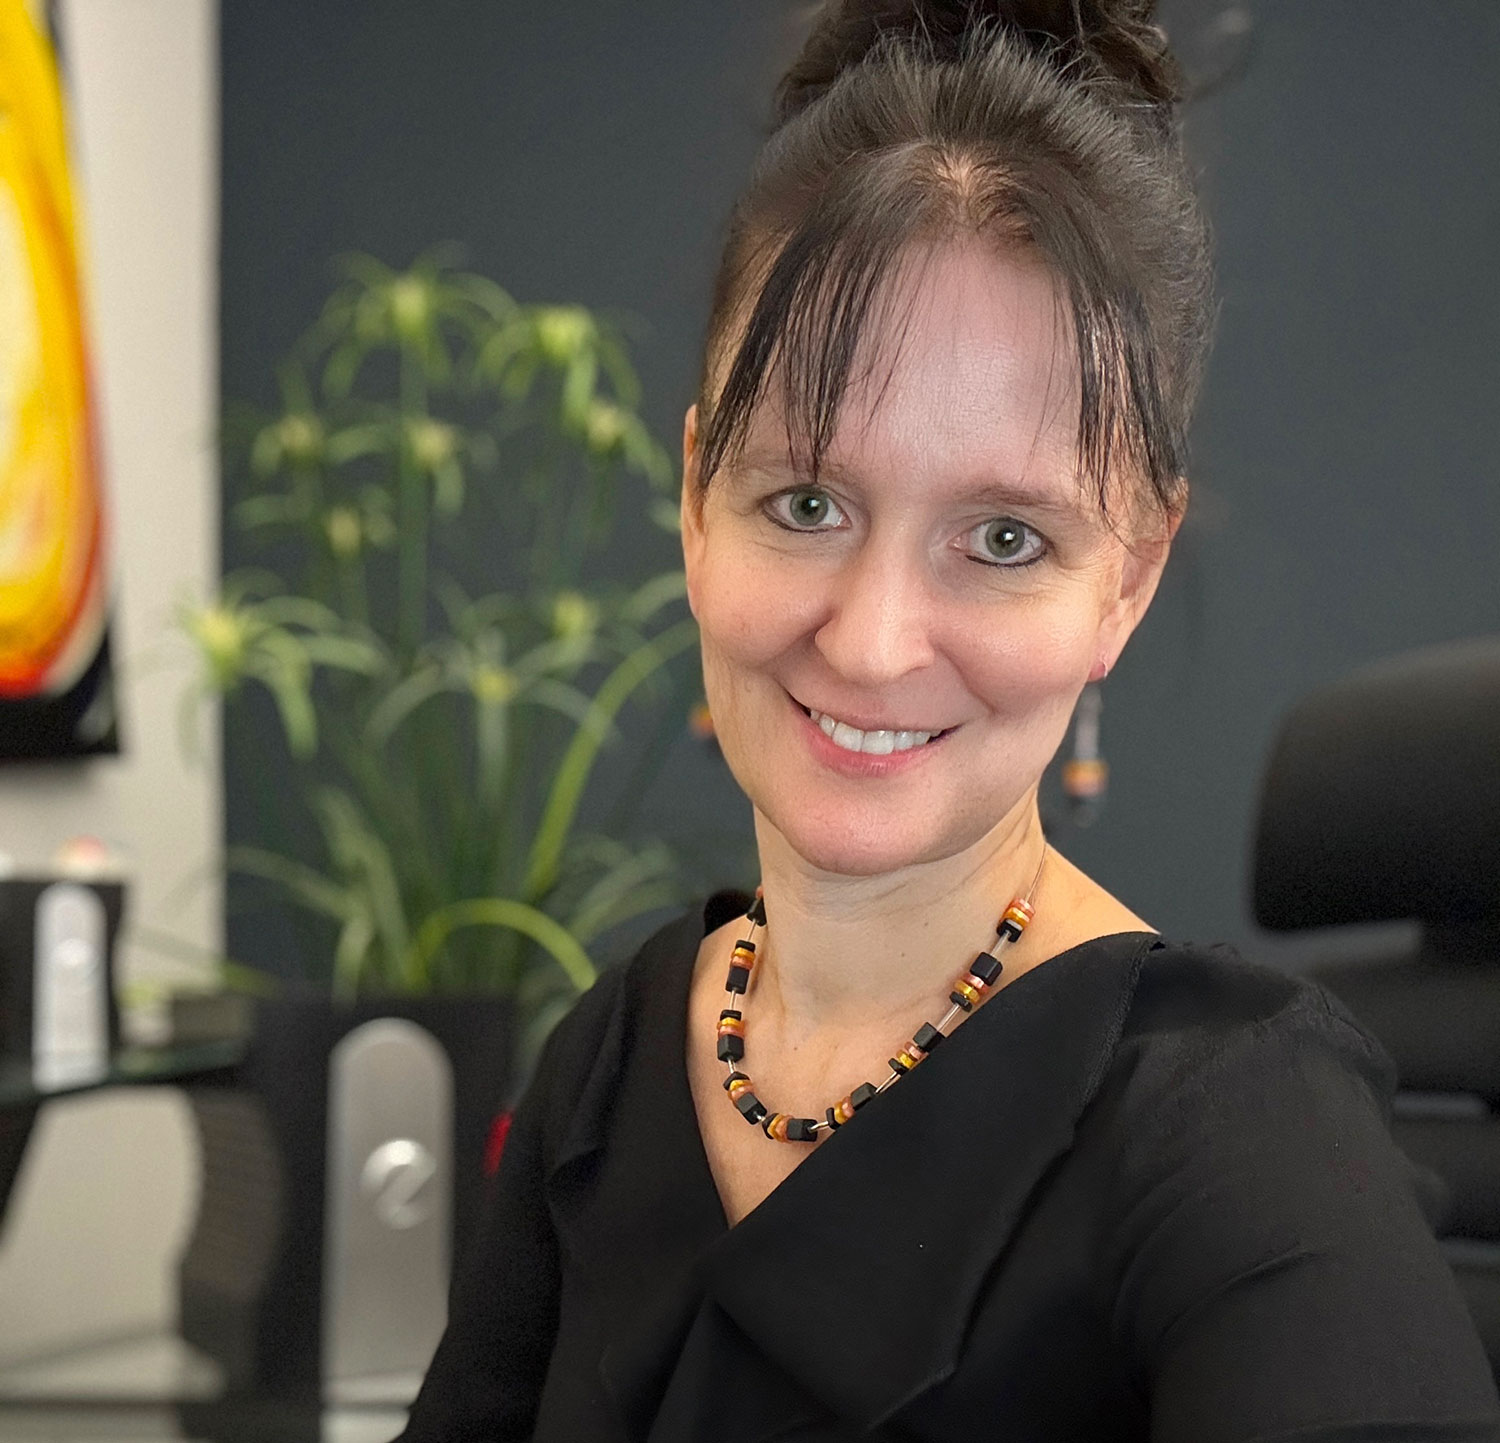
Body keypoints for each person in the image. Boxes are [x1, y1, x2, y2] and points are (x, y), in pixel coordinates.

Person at [398, 3, 1500, 1439]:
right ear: (695, 503)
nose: (870, 641)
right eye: (806, 503)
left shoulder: (1241, 1133)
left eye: (1002, 539)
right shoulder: (612, 1066)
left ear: (1128, 579)